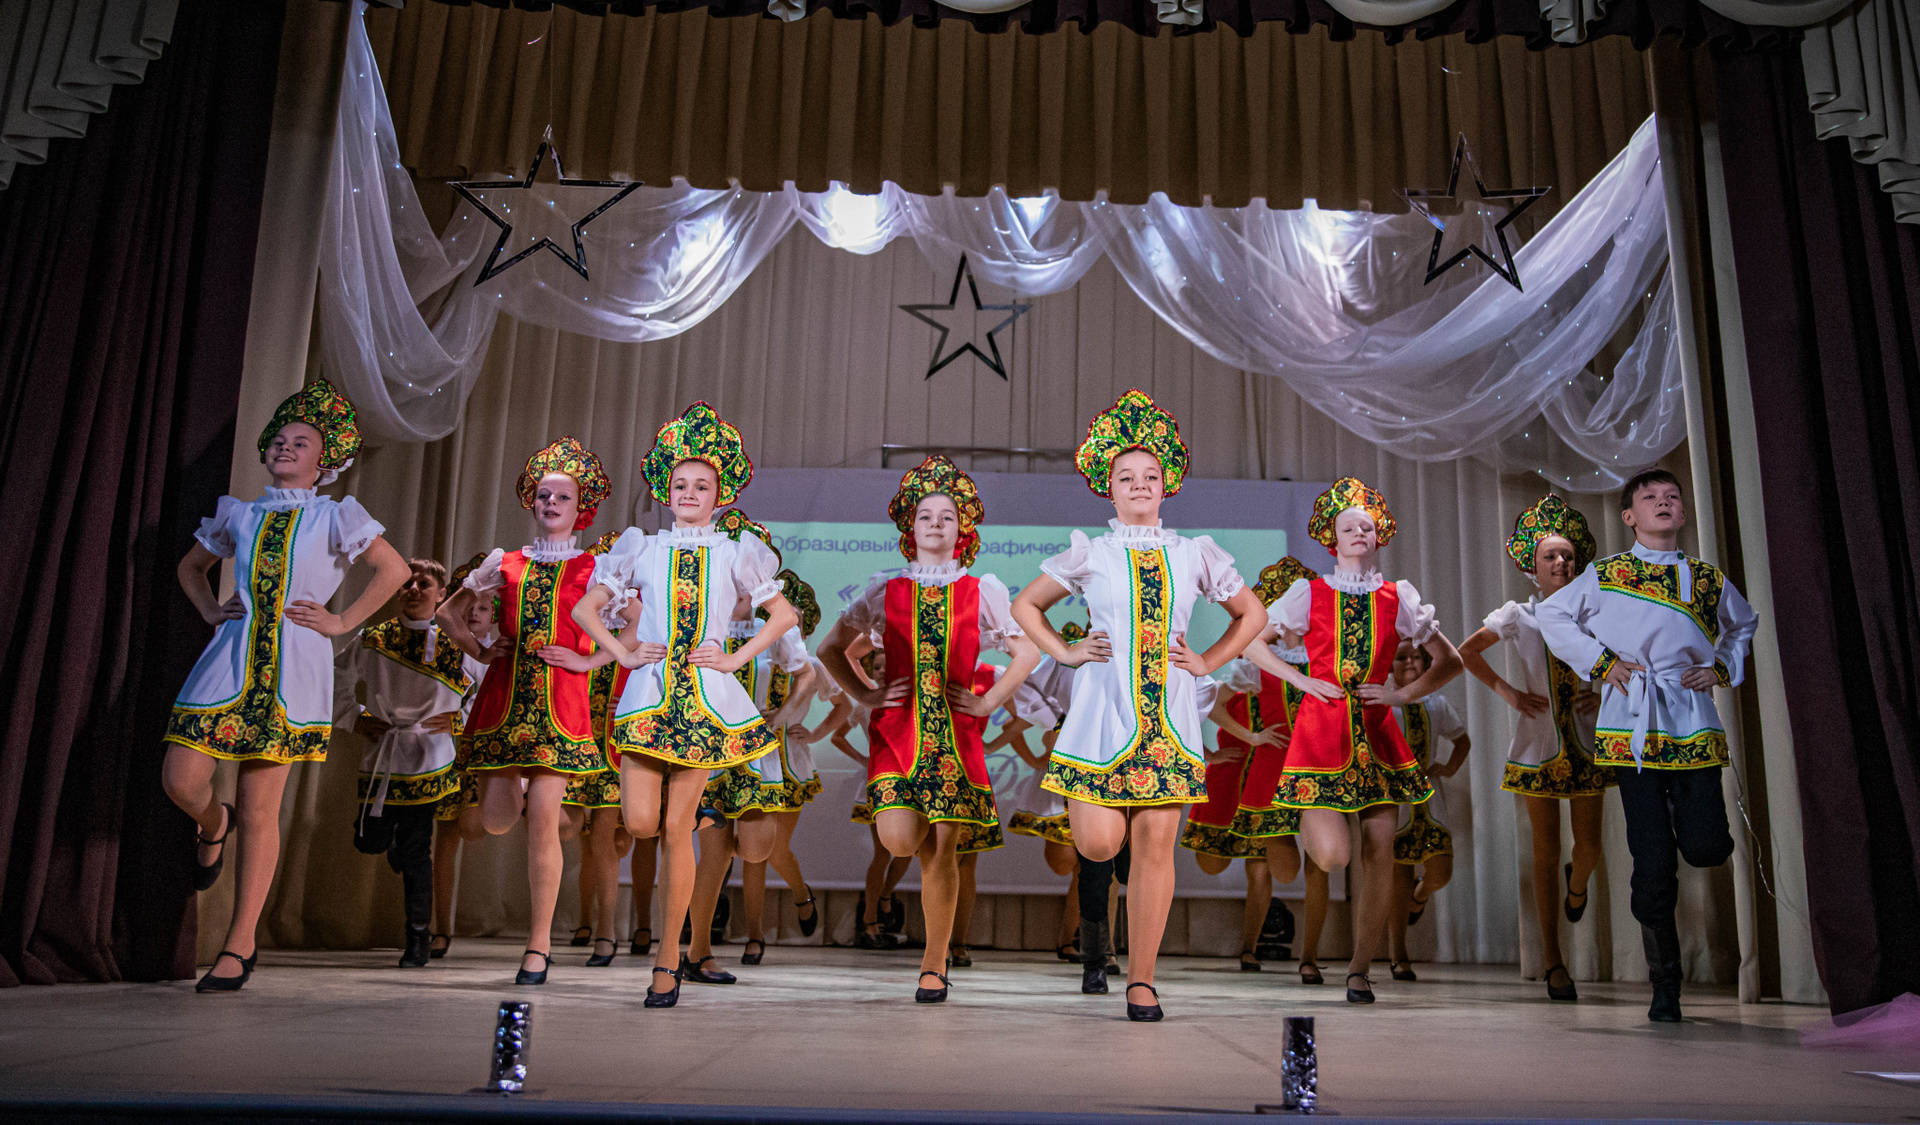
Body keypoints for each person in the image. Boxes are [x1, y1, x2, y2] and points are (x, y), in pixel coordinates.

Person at [1011, 389, 1269, 1021]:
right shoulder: (1091, 552)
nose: (1139, 485)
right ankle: (1102, 932)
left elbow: (1252, 614)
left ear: (1166, 484)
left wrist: (1207, 661)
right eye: (1126, 477)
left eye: (1150, 476)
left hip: (1170, 714)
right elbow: (1026, 606)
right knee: (1100, 845)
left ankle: (1142, 981)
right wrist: (1066, 653)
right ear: (1110, 489)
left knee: (1156, 849)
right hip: (1102, 711)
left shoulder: (1195, 552)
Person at [163, 380, 409, 993]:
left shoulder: (335, 515)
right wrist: (211, 610)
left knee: (261, 808)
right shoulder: (239, 513)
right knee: (181, 779)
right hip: (230, 658)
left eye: (301, 442)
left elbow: (394, 570)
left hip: (294, 666)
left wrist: (342, 621)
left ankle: (239, 943)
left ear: (324, 462)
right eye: (280, 439)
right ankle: (212, 824)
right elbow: (191, 567)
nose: (285, 447)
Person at [571, 402, 801, 1008]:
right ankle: (695, 825)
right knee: (640, 823)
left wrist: (732, 656)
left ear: (720, 494)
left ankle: (667, 961)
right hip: (647, 699)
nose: (690, 493)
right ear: (664, 491)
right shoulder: (640, 547)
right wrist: (623, 653)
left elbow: (784, 615)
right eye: (680, 485)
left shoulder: (736, 550)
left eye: (701, 485)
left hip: (704, 704)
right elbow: (585, 610)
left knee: (675, 829)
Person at [1536, 469, 1756, 1022]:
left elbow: (1743, 624)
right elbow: (1551, 613)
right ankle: (1666, 985)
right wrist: (1602, 664)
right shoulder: (1607, 574)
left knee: (1706, 846)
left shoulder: (1705, 578)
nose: (1664, 502)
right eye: (1650, 497)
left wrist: (1721, 666)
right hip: (1632, 727)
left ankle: (1691, 829)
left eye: (1672, 497)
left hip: (1691, 721)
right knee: (1652, 862)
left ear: (1682, 513)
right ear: (1629, 516)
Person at [818, 455, 1039, 1002]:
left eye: (947, 516)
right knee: (897, 838)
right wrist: (866, 693)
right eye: (925, 516)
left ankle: (934, 964)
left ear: (962, 529)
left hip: (956, 738)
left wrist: (988, 703)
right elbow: (830, 649)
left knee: (943, 851)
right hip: (896, 732)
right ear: (910, 529)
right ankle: (928, 943)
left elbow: (1027, 653)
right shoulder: (884, 590)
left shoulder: (981, 590)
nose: (936, 523)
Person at [1247, 477, 1463, 1004]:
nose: (1359, 533)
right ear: (1333, 538)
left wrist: (1401, 694)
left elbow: (1450, 660)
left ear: (1378, 535)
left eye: (1366, 526)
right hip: (1320, 733)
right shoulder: (1310, 593)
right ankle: (1305, 826)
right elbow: (1251, 643)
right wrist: (1300, 680)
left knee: (1380, 850)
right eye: (1349, 527)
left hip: (1378, 734)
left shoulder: (1398, 596)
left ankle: (1360, 969)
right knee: (1334, 856)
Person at [435, 436, 620, 986]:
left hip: (561, 700)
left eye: (563, 497)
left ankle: (537, 946)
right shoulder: (506, 562)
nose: (551, 503)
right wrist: (478, 650)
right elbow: (448, 613)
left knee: (541, 824)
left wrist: (589, 659)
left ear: (581, 507)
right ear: (531, 501)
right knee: (496, 821)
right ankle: (544, 803)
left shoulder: (595, 566)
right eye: (543, 495)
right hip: (504, 696)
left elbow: (635, 625)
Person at [1458, 494, 1608, 1002]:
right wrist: (1508, 692)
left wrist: (1604, 691)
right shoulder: (1519, 615)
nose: (1560, 562)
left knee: (1589, 849)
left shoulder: (1595, 612)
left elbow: (1630, 656)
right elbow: (1466, 652)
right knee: (1544, 850)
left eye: (1567, 555)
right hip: (1536, 744)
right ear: (1533, 567)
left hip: (1586, 741)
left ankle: (1577, 884)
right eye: (1550, 556)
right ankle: (1553, 961)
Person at [681, 511, 819, 980]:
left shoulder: (775, 627)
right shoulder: (701, 623)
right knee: (713, 855)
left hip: (759, 752)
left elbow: (806, 673)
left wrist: (784, 714)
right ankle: (697, 952)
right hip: (712, 751)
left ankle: (795, 893)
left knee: (758, 848)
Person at [335, 557, 483, 968]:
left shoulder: (457, 642)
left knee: (418, 850)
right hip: (384, 753)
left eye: (423, 584)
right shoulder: (374, 638)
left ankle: (418, 940)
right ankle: (395, 849)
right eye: (407, 584)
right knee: (370, 840)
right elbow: (336, 676)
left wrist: (459, 719)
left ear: (441, 595)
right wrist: (354, 716)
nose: (413, 590)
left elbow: (487, 691)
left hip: (430, 755)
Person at [1192, 555, 1318, 973]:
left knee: (1272, 868)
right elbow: (1212, 705)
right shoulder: (1254, 661)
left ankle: (1256, 948)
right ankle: (1249, 947)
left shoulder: (1322, 657)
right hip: (1248, 770)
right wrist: (1250, 738)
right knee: (1219, 861)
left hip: (1295, 771)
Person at [1383, 640, 1470, 982]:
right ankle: (1398, 954)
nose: (1410, 662)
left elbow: (1462, 740)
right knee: (1397, 879)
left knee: (1441, 871)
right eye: (1401, 657)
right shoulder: (1383, 704)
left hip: (1430, 798)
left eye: (1417, 657)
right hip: (1395, 800)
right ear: (1389, 665)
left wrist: (1448, 768)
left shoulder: (1437, 703)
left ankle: (1420, 896)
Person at [428, 555, 496, 959]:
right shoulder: (438, 647)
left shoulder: (496, 654)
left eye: (483, 608)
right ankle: (439, 927)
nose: (474, 614)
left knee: (472, 825)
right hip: (441, 753)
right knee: (445, 837)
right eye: (468, 606)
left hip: (479, 754)